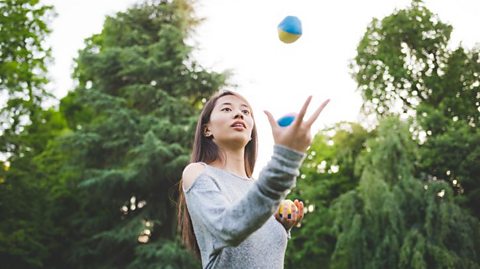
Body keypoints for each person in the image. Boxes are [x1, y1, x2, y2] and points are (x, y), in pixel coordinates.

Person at [177, 90, 329, 268]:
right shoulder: (198, 173)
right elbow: (228, 228)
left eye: (246, 111)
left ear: (251, 133)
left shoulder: (259, 191)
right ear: (207, 129)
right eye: (226, 109)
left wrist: (281, 226)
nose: (238, 114)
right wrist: (287, 157)